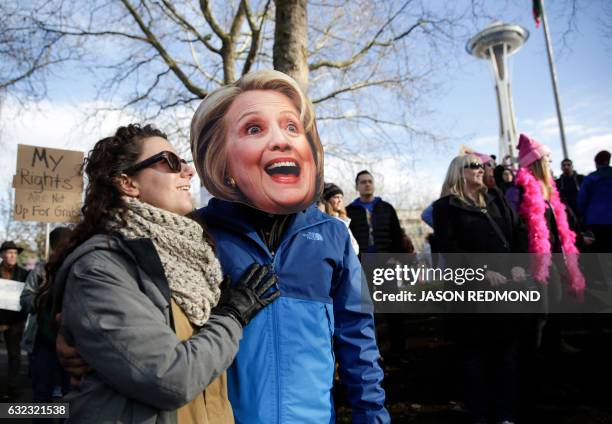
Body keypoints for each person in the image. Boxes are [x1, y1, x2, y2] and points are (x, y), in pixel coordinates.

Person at [190, 70, 389, 423]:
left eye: (292, 128)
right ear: (222, 160)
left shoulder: (333, 235)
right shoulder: (198, 233)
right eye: (254, 128)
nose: (281, 141)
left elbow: (358, 336)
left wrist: (372, 415)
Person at [49, 124, 279, 423]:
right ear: (128, 183)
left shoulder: (198, 256)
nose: (188, 172)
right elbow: (170, 378)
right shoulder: (102, 266)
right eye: (170, 162)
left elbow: (359, 327)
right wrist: (232, 315)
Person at [432, 154, 528, 424]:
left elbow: (518, 232)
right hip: (470, 294)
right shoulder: (446, 207)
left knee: (507, 355)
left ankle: (506, 415)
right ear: (458, 173)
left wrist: (519, 265)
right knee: (475, 358)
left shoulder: (497, 200)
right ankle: (481, 414)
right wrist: (482, 272)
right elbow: (448, 248)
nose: (481, 169)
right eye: (473, 165)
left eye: (482, 165)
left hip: (506, 291)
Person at [21, 227, 72, 408]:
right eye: (58, 246)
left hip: (72, 344)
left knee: (70, 395)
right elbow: (25, 299)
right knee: (42, 393)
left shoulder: (80, 268)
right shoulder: (41, 271)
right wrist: (43, 298)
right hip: (43, 343)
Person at [346, 170, 410, 255]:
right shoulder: (349, 211)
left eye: (370, 182)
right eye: (363, 182)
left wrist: (395, 258)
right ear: (357, 187)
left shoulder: (387, 208)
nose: (367, 184)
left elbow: (397, 235)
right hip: (359, 260)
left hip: (385, 260)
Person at [0, 240, 29, 400]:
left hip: (15, 321)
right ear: (2, 255)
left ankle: (12, 386)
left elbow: (27, 296)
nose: (13, 256)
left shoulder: (24, 274)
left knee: (14, 355)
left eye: (15, 253)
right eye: (10, 253)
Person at [577, 150, 612, 255]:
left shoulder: (590, 178)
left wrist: (582, 216)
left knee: (599, 253)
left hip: (595, 221)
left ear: (597, 163)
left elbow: (581, 200)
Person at [322, 182, 359, 254]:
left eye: (341, 197)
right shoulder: (326, 221)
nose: (340, 200)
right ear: (327, 200)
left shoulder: (344, 220)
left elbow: (355, 248)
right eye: (336, 197)